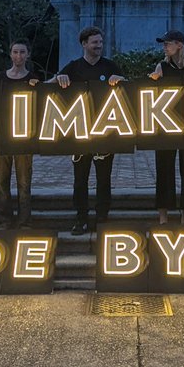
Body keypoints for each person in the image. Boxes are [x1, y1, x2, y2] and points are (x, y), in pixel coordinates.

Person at [53, 26, 124, 235]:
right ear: (84, 44)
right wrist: (58, 79)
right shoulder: (73, 67)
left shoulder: (111, 66)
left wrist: (122, 82)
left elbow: (128, 89)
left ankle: (102, 217)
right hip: (79, 132)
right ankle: (81, 218)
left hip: (105, 132)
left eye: (100, 42)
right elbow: (50, 85)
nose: (99, 46)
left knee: (104, 178)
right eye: (94, 43)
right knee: (80, 178)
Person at [150, 30, 184, 225]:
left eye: (168, 43)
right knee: (164, 168)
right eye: (164, 44)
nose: (165, 47)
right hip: (166, 125)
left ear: (179, 45)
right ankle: (163, 215)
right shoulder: (161, 67)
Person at [0, 39, 41, 229]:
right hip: (2, 136)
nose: (18, 56)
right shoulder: (0, 77)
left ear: (27, 55)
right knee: (1, 182)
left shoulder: (33, 79)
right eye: (15, 52)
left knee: (24, 183)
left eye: (22, 52)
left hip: (24, 137)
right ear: (10, 54)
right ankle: (4, 220)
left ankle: (24, 221)